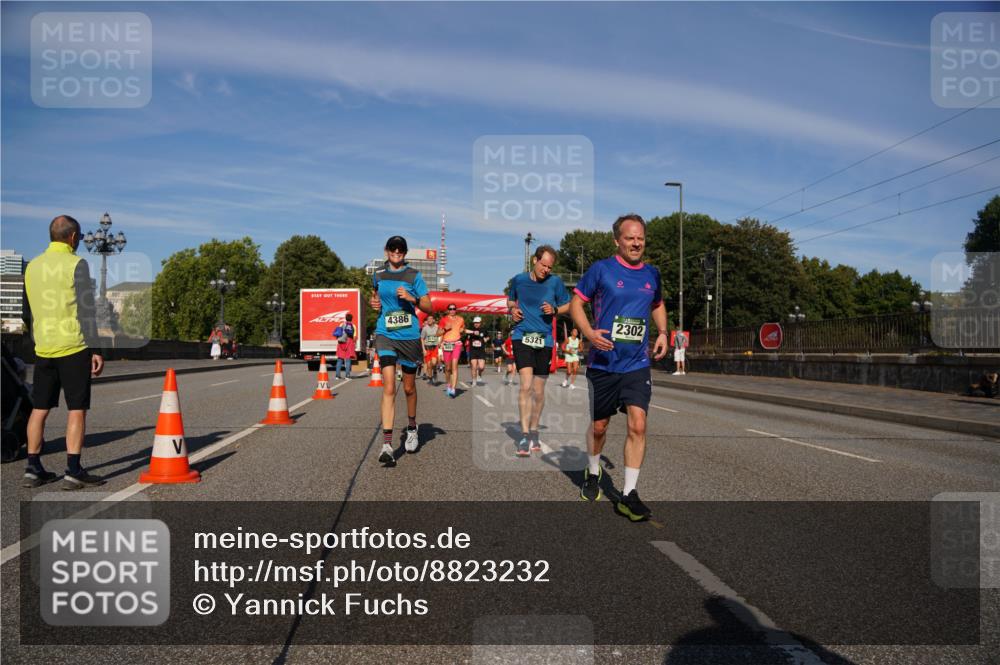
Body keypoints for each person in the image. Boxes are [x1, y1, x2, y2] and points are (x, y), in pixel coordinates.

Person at [570, 214, 669, 521]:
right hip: (603, 363)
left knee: (638, 425)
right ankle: (593, 471)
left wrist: (663, 332)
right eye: (629, 238)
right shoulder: (601, 270)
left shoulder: (652, 273)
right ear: (617, 241)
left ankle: (629, 494)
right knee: (600, 427)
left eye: (640, 238)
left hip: (637, 363)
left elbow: (657, 304)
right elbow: (576, 303)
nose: (636, 243)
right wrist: (589, 334)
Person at [22, 214, 106, 490]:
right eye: (79, 237)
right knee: (77, 410)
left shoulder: (33, 266)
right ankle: (73, 470)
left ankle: (32, 468)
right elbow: (86, 309)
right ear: (72, 237)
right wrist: (95, 349)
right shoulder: (76, 264)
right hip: (73, 347)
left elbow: (27, 310)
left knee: (39, 409)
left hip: (43, 347)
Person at [370, 236, 433, 463]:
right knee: (388, 386)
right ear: (386, 251)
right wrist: (374, 303)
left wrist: (412, 298)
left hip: (409, 336)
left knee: (408, 388)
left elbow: (429, 306)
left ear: (404, 253)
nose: (396, 252)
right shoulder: (378, 274)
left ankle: (412, 427)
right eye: (392, 249)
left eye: (400, 250)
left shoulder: (414, 276)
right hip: (385, 333)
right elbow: (375, 296)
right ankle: (387, 445)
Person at [507, 245, 571, 456]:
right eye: (543, 265)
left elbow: (569, 305)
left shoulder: (555, 282)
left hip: (545, 340)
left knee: (539, 391)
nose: (546, 270)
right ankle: (524, 435)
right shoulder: (519, 280)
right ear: (535, 260)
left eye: (550, 267)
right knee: (525, 386)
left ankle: (534, 430)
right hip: (522, 336)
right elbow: (510, 300)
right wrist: (513, 309)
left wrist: (555, 309)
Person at [439, 303, 465, 398]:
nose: (452, 310)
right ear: (448, 310)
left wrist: (462, 330)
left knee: (454, 366)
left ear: (456, 310)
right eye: (450, 309)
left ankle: (453, 388)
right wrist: (445, 329)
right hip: (447, 344)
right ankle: (448, 385)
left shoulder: (461, 319)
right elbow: (437, 333)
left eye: (454, 308)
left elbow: (463, 328)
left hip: (457, 343)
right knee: (447, 368)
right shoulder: (443, 320)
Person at [333, 313, 356, 379]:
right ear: (351, 319)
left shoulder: (341, 324)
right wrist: (354, 344)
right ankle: (347, 375)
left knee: (340, 359)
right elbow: (354, 337)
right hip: (349, 342)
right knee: (348, 359)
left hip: (341, 342)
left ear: (346, 318)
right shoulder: (353, 326)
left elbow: (338, 334)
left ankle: (337, 376)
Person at [466, 316, 488, 386]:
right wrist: (473, 332)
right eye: (475, 322)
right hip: (473, 351)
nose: (476, 324)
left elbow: (488, 336)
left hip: (481, 351)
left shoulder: (484, 330)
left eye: (477, 323)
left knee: (481, 367)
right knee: (474, 367)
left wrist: (486, 339)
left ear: (480, 323)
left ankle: (479, 373)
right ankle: (474, 381)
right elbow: (464, 330)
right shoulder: (471, 329)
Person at [420, 314, 441, 384]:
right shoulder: (425, 328)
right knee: (428, 365)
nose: (429, 320)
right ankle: (430, 378)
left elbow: (441, 334)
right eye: (428, 319)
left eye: (431, 319)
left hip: (434, 348)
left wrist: (440, 342)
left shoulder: (437, 327)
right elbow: (422, 339)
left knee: (434, 363)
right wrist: (423, 349)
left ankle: (434, 371)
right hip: (427, 348)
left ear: (433, 320)